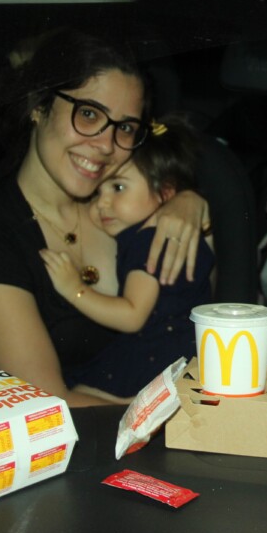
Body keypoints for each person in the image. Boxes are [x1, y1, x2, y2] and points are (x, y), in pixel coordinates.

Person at [0, 28, 210, 406]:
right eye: (88, 114)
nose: (105, 145)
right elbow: (46, 403)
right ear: (38, 105)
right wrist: (174, 415)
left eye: (125, 128)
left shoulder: (124, 209)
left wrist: (189, 204)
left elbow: (202, 307)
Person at [40, 116, 214, 397]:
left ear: (165, 191)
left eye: (118, 187)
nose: (102, 203)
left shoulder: (146, 242)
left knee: (78, 394)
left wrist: (75, 289)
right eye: (97, 192)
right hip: (190, 354)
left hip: (153, 358)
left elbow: (132, 315)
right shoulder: (184, 234)